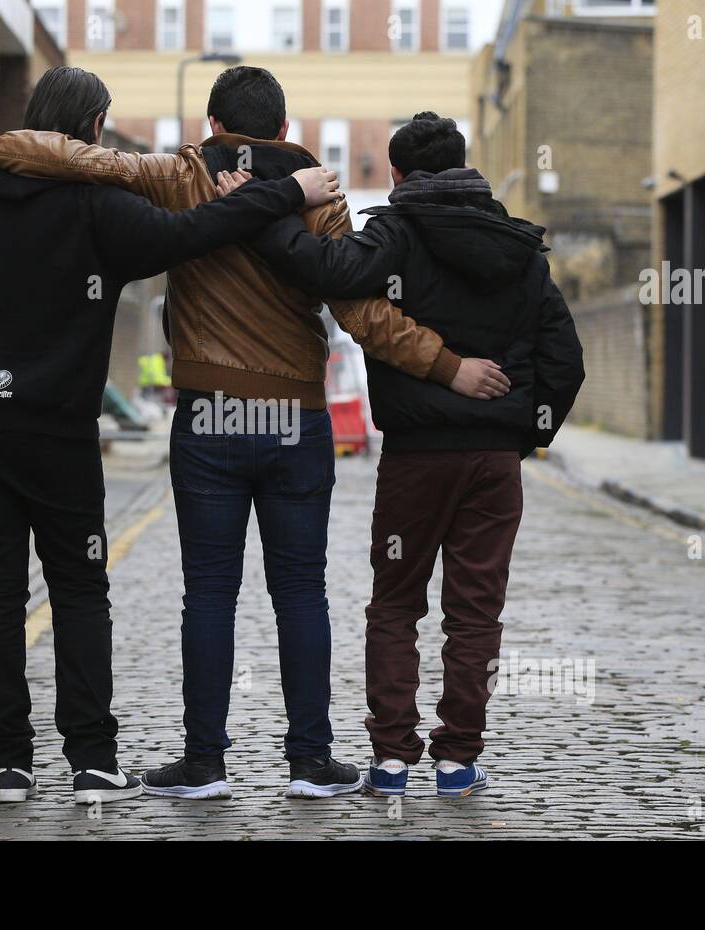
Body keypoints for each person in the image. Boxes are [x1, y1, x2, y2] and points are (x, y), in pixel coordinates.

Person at [0, 67, 479, 800]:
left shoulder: (179, 174)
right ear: (285, 131)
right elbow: (363, 315)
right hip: (295, 416)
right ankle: (309, 763)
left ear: (208, 126)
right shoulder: (320, 190)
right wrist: (450, 366)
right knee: (301, 593)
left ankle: (205, 763)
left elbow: (86, 158)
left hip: (210, 418)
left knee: (208, 594)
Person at [0, 66, 343, 805]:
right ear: (97, 122)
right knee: (83, 588)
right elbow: (196, 234)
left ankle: (13, 765)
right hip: (72, 426)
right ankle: (95, 762)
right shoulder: (98, 205)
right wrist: (286, 195)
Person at [249, 112, 586, 798]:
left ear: (398, 175)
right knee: (475, 613)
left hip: (414, 461)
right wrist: (523, 434)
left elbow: (328, 268)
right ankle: (458, 760)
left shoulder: (397, 232)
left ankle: (393, 759)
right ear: (467, 165)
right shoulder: (521, 248)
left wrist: (277, 211)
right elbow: (566, 362)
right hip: (494, 462)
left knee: (395, 606)